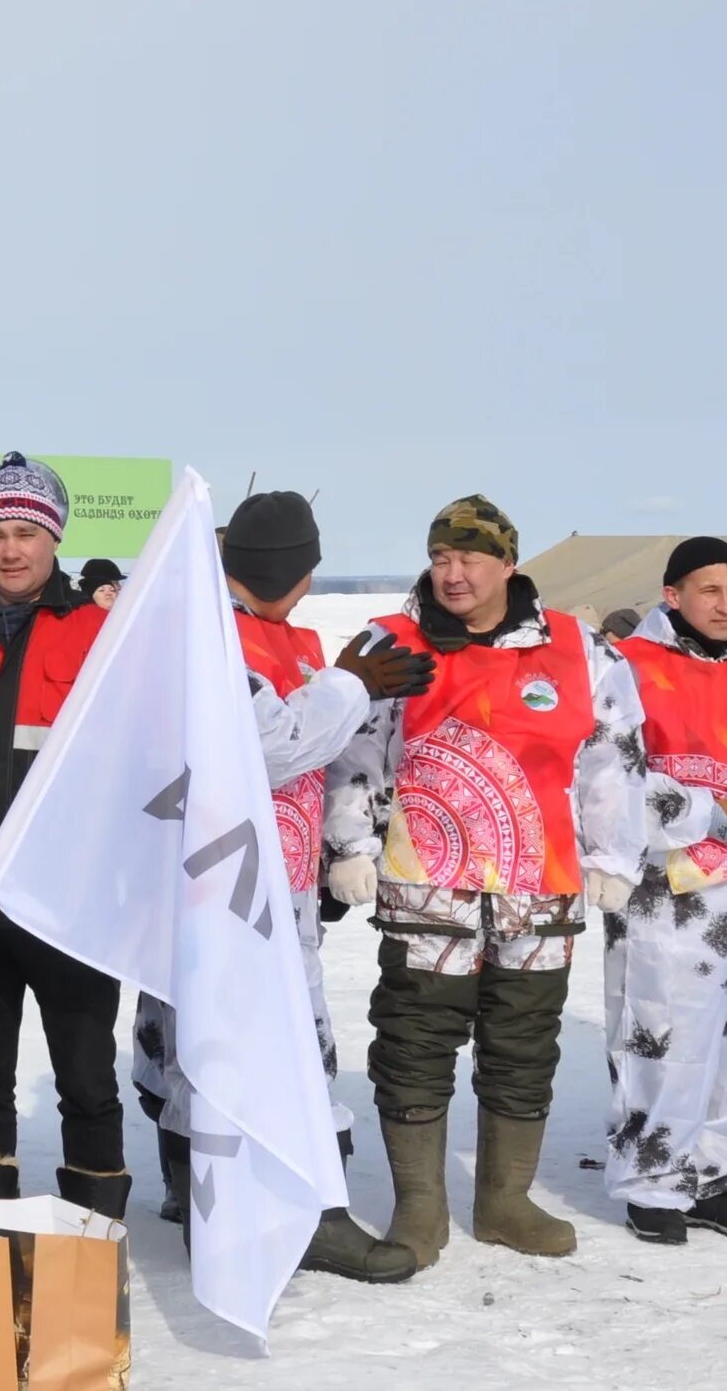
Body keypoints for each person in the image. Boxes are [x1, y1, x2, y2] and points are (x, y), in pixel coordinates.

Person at [322, 495, 653, 1266]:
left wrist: (611, 857)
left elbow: (613, 760)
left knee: (523, 1042)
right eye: (441, 558)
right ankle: (421, 1208)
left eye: (470, 558)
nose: (453, 573)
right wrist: (350, 843)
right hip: (425, 882)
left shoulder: (581, 649)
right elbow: (354, 750)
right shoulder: (392, 643)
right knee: (414, 1041)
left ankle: (505, 1200)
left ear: (509, 564)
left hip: (540, 886)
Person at [151, 491, 432, 1282]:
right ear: (301, 569)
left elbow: (325, 751)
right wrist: (350, 686)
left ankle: (218, 1200)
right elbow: (266, 747)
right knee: (246, 1042)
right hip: (225, 881)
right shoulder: (207, 638)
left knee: (250, 1038)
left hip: (280, 874)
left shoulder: (292, 639)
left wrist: (337, 851)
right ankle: (302, 1214)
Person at [0, 455, 135, 1215]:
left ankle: (94, 1234)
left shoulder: (101, 633)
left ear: (54, 540)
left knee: (86, 1075)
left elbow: (135, 763)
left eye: (26, 534)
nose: (11, 550)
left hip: (70, 905)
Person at [604, 538, 727, 1246]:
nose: (726, 603)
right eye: (708, 590)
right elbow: (608, 774)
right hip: (670, 878)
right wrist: (706, 810)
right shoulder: (630, 665)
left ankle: (719, 1175)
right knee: (666, 1028)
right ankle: (654, 1178)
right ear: (672, 595)